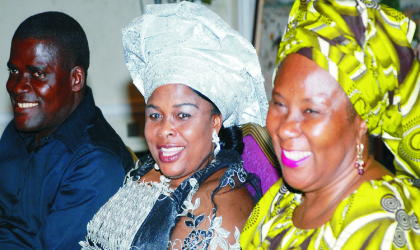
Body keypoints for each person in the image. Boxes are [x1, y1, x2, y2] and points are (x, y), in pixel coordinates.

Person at [79, 2, 268, 250]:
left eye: (182, 115)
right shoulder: (152, 167)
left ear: (215, 122)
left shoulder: (216, 205)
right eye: (155, 116)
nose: (164, 130)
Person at [240, 0, 420, 249]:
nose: (285, 128)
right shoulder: (282, 199)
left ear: (362, 122)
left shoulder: (380, 224)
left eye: (311, 111)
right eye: (279, 104)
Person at [0, 12, 134, 249]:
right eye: (14, 71)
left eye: (38, 73)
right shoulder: (20, 129)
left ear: (76, 79)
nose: (17, 86)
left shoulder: (96, 164)